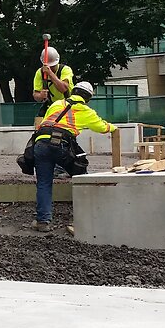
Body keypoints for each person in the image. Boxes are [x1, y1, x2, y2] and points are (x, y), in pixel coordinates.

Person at [31, 81, 114, 232]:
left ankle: (43, 221)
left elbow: (46, 123)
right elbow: (102, 127)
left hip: (40, 144)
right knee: (82, 178)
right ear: (88, 98)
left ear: (73, 91)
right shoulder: (85, 110)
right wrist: (114, 128)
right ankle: (87, 219)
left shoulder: (56, 104)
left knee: (44, 183)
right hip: (61, 144)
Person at [32, 47, 74, 128]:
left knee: (68, 129)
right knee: (38, 127)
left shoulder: (65, 70)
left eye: (53, 66)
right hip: (51, 106)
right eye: (49, 67)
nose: (50, 68)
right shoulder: (40, 73)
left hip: (68, 105)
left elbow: (63, 88)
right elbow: (36, 95)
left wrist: (50, 74)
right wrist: (41, 95)